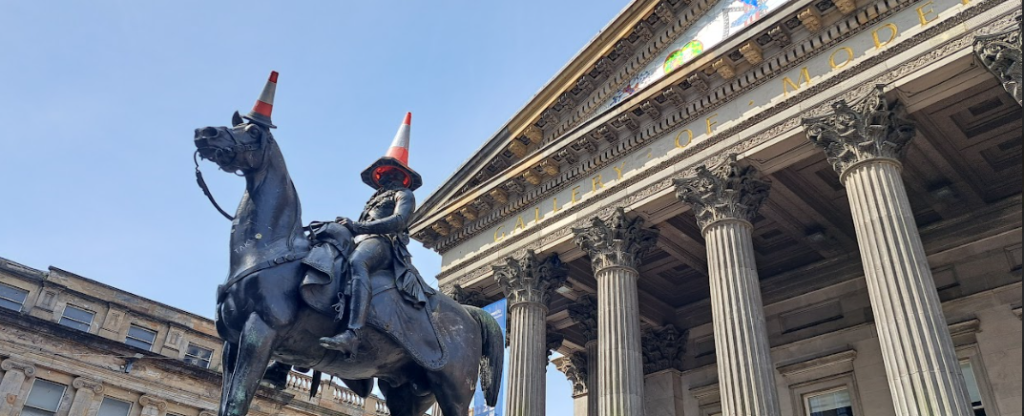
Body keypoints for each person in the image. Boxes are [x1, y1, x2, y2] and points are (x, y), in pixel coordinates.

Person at [319, 113, 434, 355]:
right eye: (384, 174)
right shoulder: (374, 200)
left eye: (392, 173)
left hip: (385, 245)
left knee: (357, 262)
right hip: (362, 239)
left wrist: (359, 227)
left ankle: (354, 333)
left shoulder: (403, 195)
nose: (386, 177)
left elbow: (398, 221)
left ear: (401, 175)